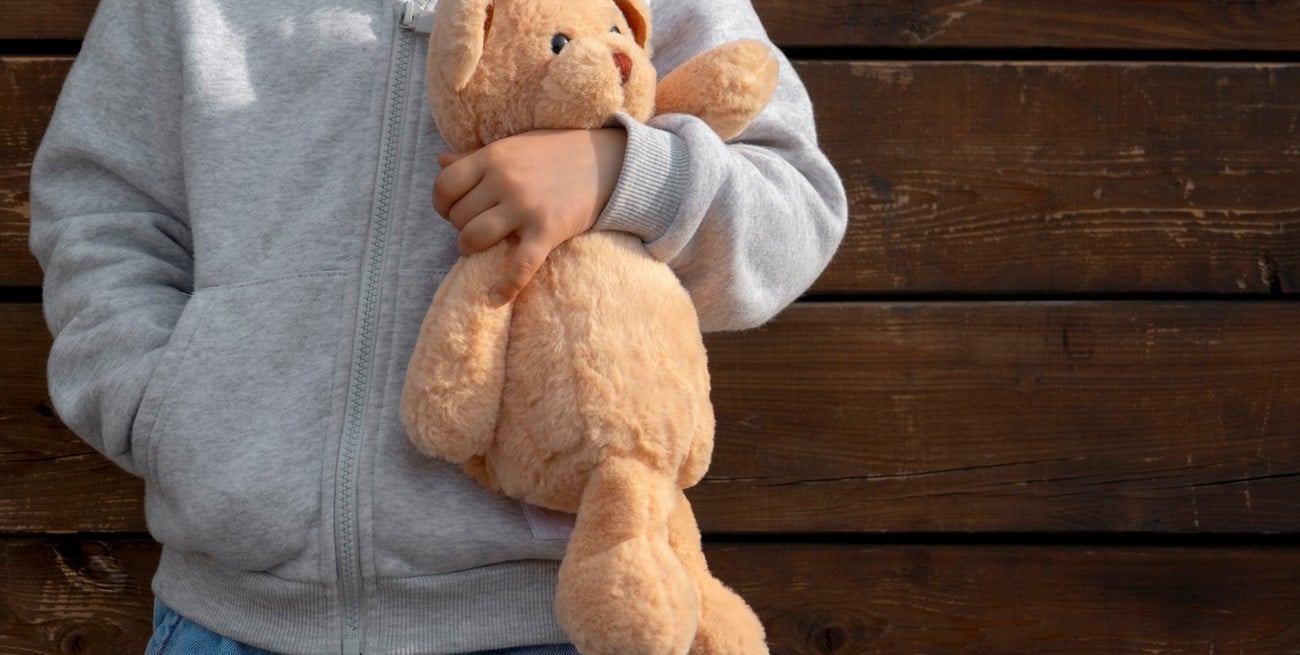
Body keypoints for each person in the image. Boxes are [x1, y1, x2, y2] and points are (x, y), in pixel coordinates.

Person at [28, 0, 847, 652]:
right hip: (225, 617)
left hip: (556, 612)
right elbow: (102, 209)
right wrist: (166, 412)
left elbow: (793, 206)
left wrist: (617, 173)